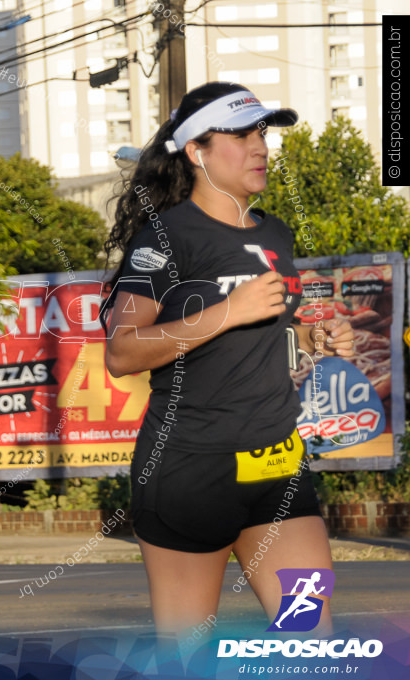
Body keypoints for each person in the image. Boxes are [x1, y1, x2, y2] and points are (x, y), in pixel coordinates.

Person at [100, 82, 354, 638]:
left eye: (261, 132)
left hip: (277, 462)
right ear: (197, 151)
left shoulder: (275, 233)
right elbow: (120, 352)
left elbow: (277, 336)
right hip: (189, 470)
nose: (260, 146)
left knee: (313, 640)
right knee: (189, 658)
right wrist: (226, 312)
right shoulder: (166, 236)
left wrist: (320, 338)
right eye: (241, 134)